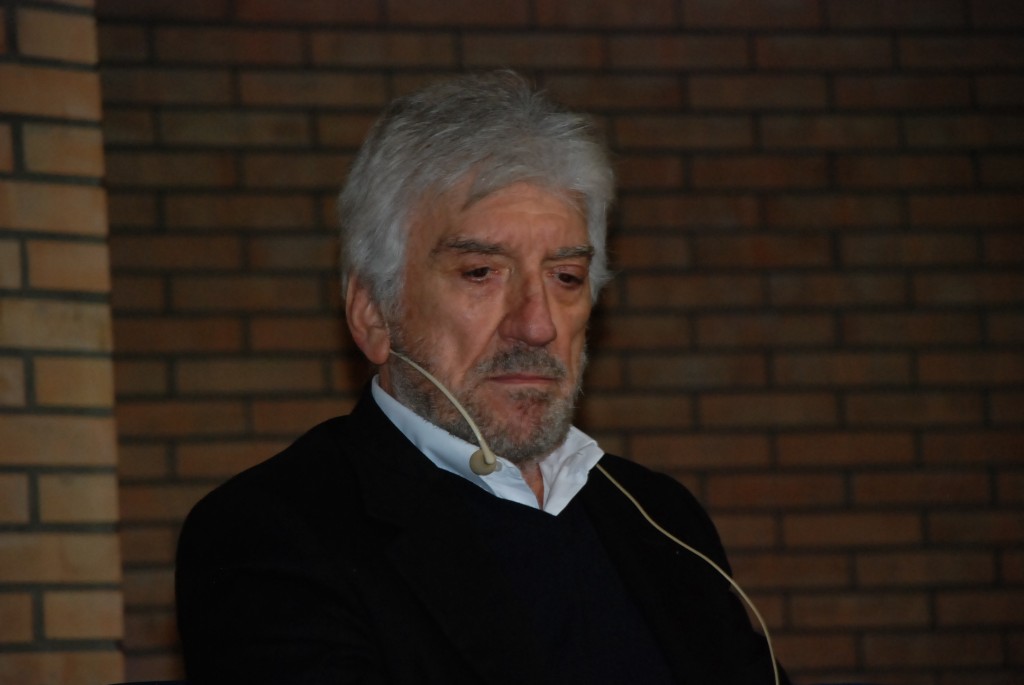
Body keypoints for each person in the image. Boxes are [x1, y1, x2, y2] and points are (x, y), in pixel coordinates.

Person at [175, 70, 789, 685]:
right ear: (373, 313)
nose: (537, 324)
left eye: (566, 277)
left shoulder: (661, 517)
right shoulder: (270, 533)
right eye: (480, 273)